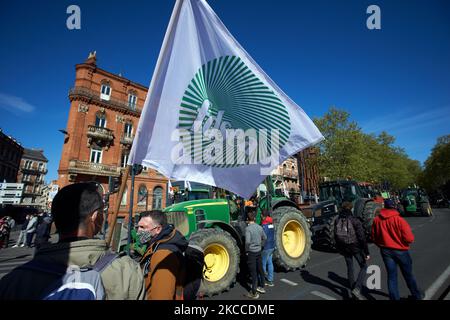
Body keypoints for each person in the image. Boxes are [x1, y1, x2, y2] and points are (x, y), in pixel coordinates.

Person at [0, 182, 145, 300]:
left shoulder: (14, 279)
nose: (104, 216)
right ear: (94, 216)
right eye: (102, 211)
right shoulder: (126, 270)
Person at [371, 199, 424, 300]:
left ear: (384, 207)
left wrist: (381, 245)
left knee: (391, 276)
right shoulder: (399, 220)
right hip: (401, 250)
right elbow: (409, 238)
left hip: (386, 250)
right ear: (394, 206)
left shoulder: (377, 220)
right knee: (408, 274)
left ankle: (394, 298)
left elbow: (374, 237)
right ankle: (416, 295)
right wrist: (403, 243)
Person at [138, 210, 188, 300]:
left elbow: (162, 296)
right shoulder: (155, 245)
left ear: (158, 229)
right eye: (138, 227)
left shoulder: (164, 254)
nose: (138, 231)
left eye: (143, 227)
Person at [334, 201, 370, 300]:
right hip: (355, 247)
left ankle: (352, 290)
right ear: (351, 209)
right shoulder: (355, 220)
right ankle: (357, 288)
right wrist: (366, 252)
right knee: (363, 266)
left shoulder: (337, 220)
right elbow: (362, 237)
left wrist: (339, 249)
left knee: (350, 268)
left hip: (344, 248)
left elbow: (335, 236)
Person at [245, 210, 267, 299]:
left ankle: (253, 293)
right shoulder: (259, 227)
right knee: (260, 269)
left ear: (247, 219)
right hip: (258, 251)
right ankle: (262, 287)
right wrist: (261, 246)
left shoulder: (248, 229)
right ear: (254, 218)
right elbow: (265, 238)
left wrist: (246, 251)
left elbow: (247, 242)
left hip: (251, 253)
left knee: (253, 273)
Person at [260, 210, 275, 286]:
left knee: (262, 264)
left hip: (265, 247)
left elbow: (262, 238)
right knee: (270, 263)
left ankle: (262, 282)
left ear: (263, 216)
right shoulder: (271, 224)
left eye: (261, 215)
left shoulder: (263, 226)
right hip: (272, 246)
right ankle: (270, 280)